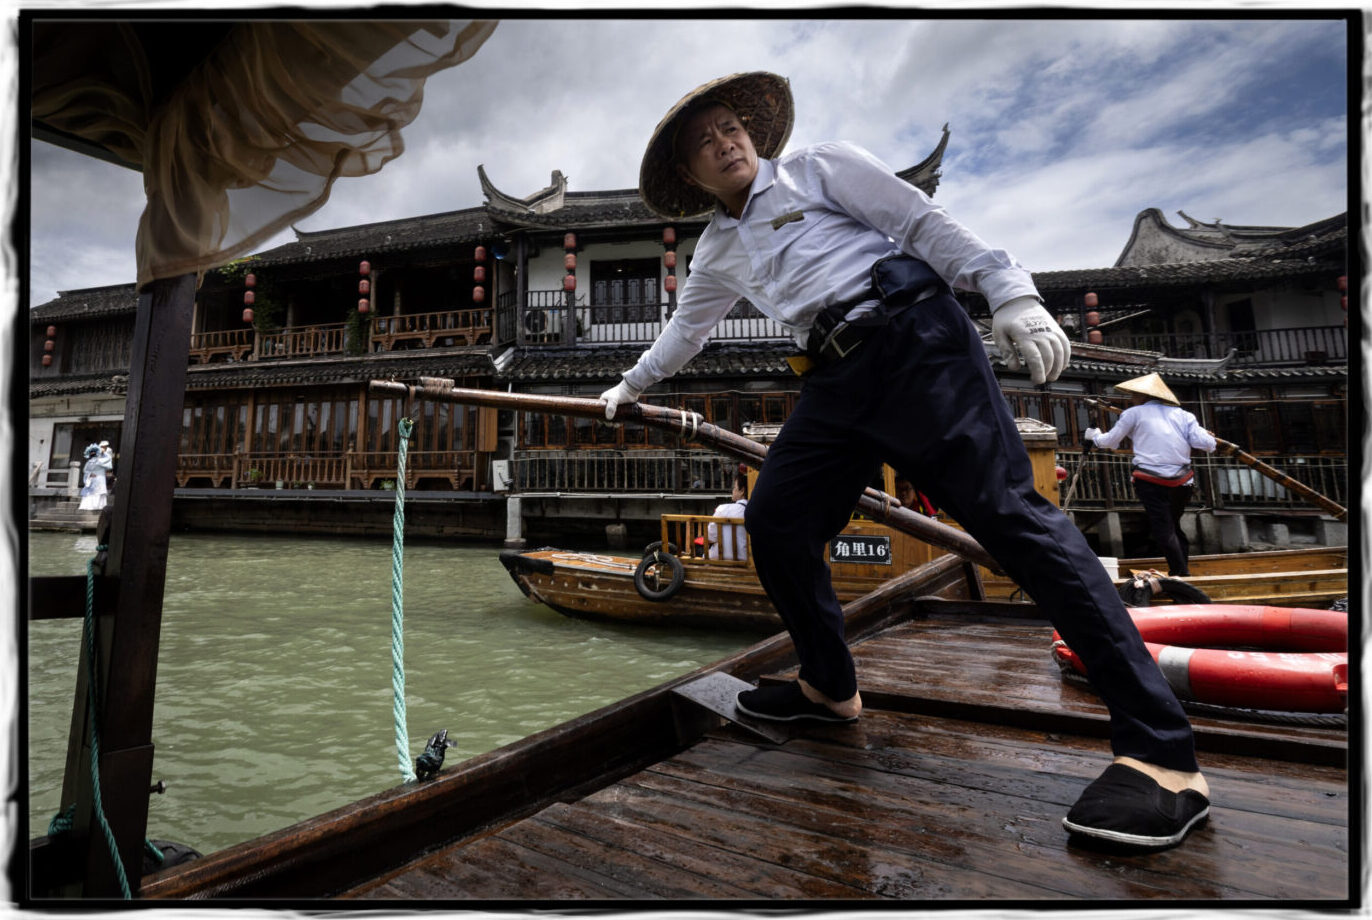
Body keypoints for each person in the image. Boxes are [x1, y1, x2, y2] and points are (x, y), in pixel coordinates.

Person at [599, 72, 1209, 849]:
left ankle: (1163, 758)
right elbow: (687, 331)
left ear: (751, 134)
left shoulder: (819, 167)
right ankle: (828, 689)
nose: (723, 143)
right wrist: (628, 386)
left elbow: (918, 220)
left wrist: (1009, 291)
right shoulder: (716, 247)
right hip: (832, 380)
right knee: (777, 520)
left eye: (729, 128)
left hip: (914, 343)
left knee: (1015, 522)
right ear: (690, 175)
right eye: (702, 142)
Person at [1085, 373, 1216, 576]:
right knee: (1173, 525)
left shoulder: (1133, 413)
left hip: (1151, 481)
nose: (1132, 398)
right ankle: (1181, 571)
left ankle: (1181, 574)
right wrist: (1208, 436)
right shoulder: (1184, 415)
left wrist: (1094, 436)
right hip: (1182, 482)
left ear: (1143, 395)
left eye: (1134, 395)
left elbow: (1109, 442)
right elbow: (1207, 444)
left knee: (1163, 528)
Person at [707, 469, 749, 560]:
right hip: (746, 559)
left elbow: (710, 538)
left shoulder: (722, 509)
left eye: (734, 487)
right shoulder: (755, 512)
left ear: (742, 491)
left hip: (719, 559)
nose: (733, 491)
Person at [77, 443, 113, 511]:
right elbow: (108, 458)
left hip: (92, 479)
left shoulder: (88, 462)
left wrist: (89, 474)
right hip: (99, 479)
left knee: (90, 493)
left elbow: (85, 470)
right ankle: (97, 506)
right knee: (98, 492)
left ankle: (88, 506)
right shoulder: (99, 461)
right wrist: (104, 453)